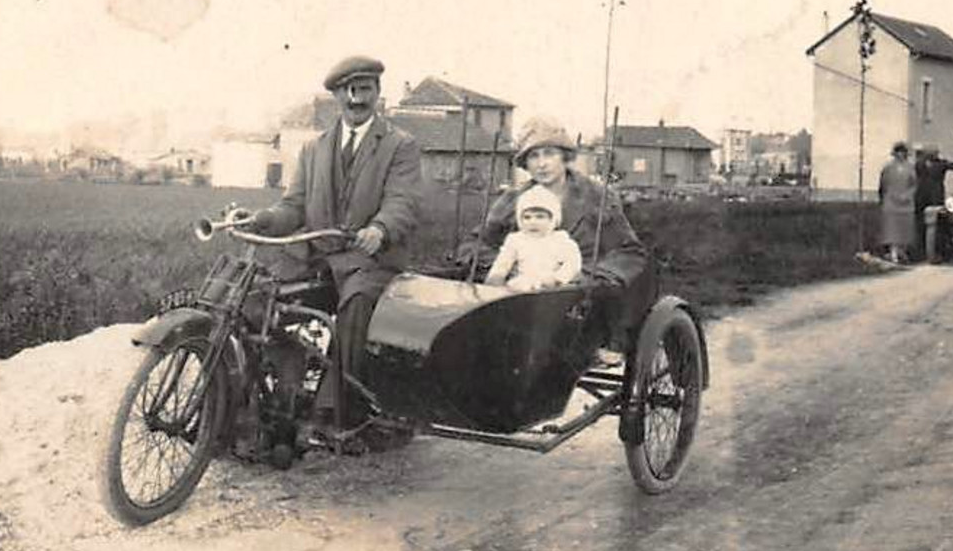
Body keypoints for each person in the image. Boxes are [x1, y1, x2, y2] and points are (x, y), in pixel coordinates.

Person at [244, 55, 423, 433]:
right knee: (258, 300)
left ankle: (337, 414)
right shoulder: (314, 149)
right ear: (336, 96)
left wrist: (381, 228)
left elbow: (402, 201)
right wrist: (262, 219)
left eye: (365, 90)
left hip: (370, 261)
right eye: (349, 91)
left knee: (356, 304)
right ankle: (271, 398)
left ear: (377, 93)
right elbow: (293, 206)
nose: (357, 99)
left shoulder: (400, 145)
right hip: (317, 257)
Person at [464, 117, 649, 340]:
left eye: (549, 153)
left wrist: (587, 275)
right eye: (533, 156)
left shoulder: (597, 196)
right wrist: (507, 266)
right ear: (525, 163)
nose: (542, 164)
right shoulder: (513, 200)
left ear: (564, 156)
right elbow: (474, 245)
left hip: (582, 298)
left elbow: (629, 252)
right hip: (523, 294)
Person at [482, 184, 583, 291]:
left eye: (540, 217)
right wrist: (497, 276)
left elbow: (573, 263)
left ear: (553, 220)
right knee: (513, 288)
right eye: (527, 217)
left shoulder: (560, 240)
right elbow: (503, 262)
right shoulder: (516, 240)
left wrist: (558, 278)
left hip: (551, 286)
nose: (533, 222)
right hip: (523, 283)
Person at [913, 144, 953, 262]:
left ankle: (919, 253)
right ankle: (938, 251)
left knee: (919, 225)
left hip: (920, 198)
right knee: (939, 226)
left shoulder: (919, 164)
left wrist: (917, 152)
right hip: (936, 198)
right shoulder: (941, 164)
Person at [877, 140, 917, 263]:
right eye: (898, 152)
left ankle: (902, 252)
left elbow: (914, 184)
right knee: (892, 229)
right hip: (891, 202)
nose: (901, 154)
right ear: (894, 153)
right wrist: (887, 197)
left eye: (903, 152)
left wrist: (908, 195)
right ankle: (893, 253)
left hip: (906, 203)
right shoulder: (888, 167)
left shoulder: (910, 167)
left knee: (905, 229)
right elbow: (883, 184)